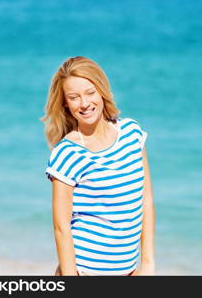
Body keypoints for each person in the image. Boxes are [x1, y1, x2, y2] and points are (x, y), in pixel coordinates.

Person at [40, 56, 155, 276]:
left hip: (130, 272)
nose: (84, 103)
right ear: (65, 102)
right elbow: (61, 228)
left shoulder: (132, 133)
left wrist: (148, 263)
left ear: (102, 91)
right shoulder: (67, 154)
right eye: (74, 97)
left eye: (90, 92)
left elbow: (146, 200)